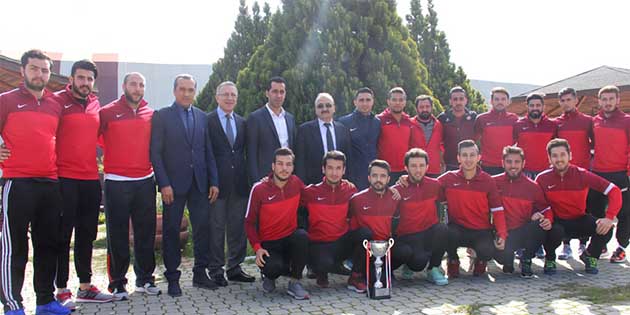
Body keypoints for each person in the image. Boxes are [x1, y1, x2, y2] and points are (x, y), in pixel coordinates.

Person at [0, 50, 68, 315]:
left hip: (49, 183)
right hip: (17, 182)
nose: (39, 74)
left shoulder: (55, 105)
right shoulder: (6, 101)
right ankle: (13, 304)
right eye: (34, 69)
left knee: (47, 245)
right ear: (23, 71)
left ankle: (45, 301)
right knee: (14, 247)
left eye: (44, 70)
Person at [150, 74, 220, 297]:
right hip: (174, 186)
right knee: (171, 231)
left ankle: (200, 274)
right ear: (174, 91)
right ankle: (173, 278)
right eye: (182, 89)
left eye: (191, 89)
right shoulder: (162, 116)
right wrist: (164, 183)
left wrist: (214, 181)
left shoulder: (201, 116)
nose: (187, 93)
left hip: (200, 183)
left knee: (203, 229)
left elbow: (207, 151)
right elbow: (155, 153)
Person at [53, 60, 113, 309]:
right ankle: (61, 290)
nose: (85, 83)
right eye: (81, 78)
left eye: (89, 79)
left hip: (90, 179)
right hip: (63, 178)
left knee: (87, 235)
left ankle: (86, 286)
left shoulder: (96, 105)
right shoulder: (57, 102)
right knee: (62, 236)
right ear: (71, 79)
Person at [101, 72, 160, 300]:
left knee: (145, 233)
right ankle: (117, 283)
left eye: (141, 85)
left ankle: (145, 279)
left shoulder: (150, 114)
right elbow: (93, 139)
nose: (137, 88)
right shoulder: (106, 112)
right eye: (133, 84)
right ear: (124, 86)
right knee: (117, 236)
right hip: (116, 182)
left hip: (145, 181)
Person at [536, 138, 621, 274]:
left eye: (563, 155)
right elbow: (537, 204)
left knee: (607, 228)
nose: (559, 159)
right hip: (556, 222)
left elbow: (614, 191)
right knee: (549, 229)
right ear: (549, 158)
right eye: (555, 156)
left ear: (570, 155)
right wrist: (542, 217)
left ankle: (590, 255)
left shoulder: (582, 175)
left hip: (579, 220)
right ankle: (550, 258)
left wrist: (609, 217)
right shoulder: (542, 179)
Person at [206, 81, 255, 286]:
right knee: (216, 229)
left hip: (239, 184)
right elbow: (205, 153)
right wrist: (211, 181)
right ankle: (215, 270)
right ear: (217, 97)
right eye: (225, 94)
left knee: (237, 228)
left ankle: (234, 268)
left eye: (233, 95)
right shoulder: (207, 121)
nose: (229, 98)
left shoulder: (242, 122)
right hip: (217, 185)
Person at [245, 148, 309, 300]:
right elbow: (249, 222)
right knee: (274, 268)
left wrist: (341, 183)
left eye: (288, 164)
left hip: (290, 238)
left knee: (302, 236)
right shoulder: (259, 189)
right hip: (269, 244)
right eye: (280, 164)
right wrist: (257, 248)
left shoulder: (296, 183)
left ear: (293, 167)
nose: (284, 168)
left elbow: (313, 196)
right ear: (273, 166)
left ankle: (295, 282)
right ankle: (269, 275)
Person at [301, 151, 369, 288]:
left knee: (365, 233)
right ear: (323, 169)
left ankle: (355, 277)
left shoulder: (350, 189)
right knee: (324, 263)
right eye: (330, 168)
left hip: (341, 243)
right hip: (319, 244)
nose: (334, 172)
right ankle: (321, 272)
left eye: (338, 168)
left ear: (344, 170)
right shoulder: (310, 192)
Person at [440, 140, 507, 278]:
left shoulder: (488, 181)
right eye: (464, 155)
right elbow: (427, 185)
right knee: (446, 233)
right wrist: (405, 179)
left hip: (481, 230)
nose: (468, 159)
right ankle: (453, 260)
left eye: (472, 155)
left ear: (479, 157)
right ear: (458, 158)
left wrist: (502, 233)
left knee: (487, 250)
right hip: (457, 228)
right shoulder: (448, 178)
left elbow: (497, 209)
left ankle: (481, 261)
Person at [391, 149, 448, 285]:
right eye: (414, 166)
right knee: (418, 263)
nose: (418, 170)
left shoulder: (435, 185)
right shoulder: (397, 190)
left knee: (443, 229)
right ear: (406, 168)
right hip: (407, 237)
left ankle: (433, 268)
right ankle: (405, 266)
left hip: (428, 232)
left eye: (422, 166)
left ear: (427, 167)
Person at [492, 146, 551, 278]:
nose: (513, 166)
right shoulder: (493, 182)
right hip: (501, 235)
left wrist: (546, 218)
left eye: (517, 162)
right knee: (505, 263)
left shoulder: (532, 186)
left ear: (523, 163)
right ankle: (507, 260)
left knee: (539, 225)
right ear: (503, 163)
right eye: (509, 162)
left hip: (521, 233)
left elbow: (546, 208)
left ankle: (526, 259)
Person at [590, 85, 630, 263]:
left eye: (611, 99)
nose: (607, 103)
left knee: (623, 213)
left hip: (621, 174)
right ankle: (603, 242)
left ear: (617, 100)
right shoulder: (595, 121)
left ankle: (621, 248)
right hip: (598, 173)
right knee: (597, 211)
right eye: (604, 99)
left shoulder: (627, 121)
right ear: (599, 101)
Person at [346, 160, 399, 293]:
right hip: (364, 249)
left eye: (382, 176)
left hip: (384, 249)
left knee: (404, 250)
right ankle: (355, 276)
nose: (378, 180)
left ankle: (386, 271)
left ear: (388, 179)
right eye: (375, 176)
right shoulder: (356, 200)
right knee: (364, 233)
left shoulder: (395, 198)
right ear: (369, 178)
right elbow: (351, 231)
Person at [554, 87, 593, 260]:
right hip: (562, 172)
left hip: (583, 172)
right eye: (562, 100)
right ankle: (566, 245)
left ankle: (583, 245)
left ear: (576, 100)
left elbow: (596, 144)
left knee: (584, 208)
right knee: (564, 208)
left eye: (569, 99)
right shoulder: (557, 123)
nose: (566, 103)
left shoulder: (588, 121)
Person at [246, 77, 297, 183]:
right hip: (265, 179)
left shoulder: (289, 118)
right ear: (267, 93)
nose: (278, 96)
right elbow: (251, 153)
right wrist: (256, 181)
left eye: (282, 92)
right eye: (274, 91)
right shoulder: (255, 118)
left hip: (287, 177)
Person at [296, 93, 351, 185]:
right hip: (314, 184)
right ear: (315, 109)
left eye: (328, 105)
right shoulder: (304, 130)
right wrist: (303, 185)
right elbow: (300, 162)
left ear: (334, 108)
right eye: (320, 106)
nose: (324, 109)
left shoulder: (343, 129)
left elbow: (348, 159)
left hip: (339, 184)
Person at [338, 88, 381, 190]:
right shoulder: (344, 122)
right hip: (352, 176)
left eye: (368, 100)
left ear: (373, 102)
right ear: (355, 102)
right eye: (361, 100)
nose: (365, 103)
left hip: (373, 176)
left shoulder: (377, 122)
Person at [474, 87, 518, 175]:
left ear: (508, 101)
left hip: (508, 165)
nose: (500, 102)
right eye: (497, 99)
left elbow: (517, 140)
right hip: (487, 166)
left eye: (503, 99)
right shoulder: (481, 119)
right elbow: (474, 141)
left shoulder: (514, 119)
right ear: (491, 101)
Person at [513, 93, 557, 178]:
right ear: (527, 107)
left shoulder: (552, 125)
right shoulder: (518, 124)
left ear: (543, 106)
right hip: (524, 172)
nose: (535, 108)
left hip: (546, 171)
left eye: (538, 105)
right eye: (532, 105)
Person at [376, 87, 413, 184]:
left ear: (405, 102)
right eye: (394, 100)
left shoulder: (409, 122)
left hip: (405, 171)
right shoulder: (379, 120)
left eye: (401, 100)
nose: (397, 103)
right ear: (388, 101)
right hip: (384, 170)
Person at [437, 86, 477, 171]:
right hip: (449, 164)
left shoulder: (474, 117)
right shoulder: (442, 118)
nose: (458, 102)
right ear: (450, 101)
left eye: (461, 99)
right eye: (455, 99)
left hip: (470, 163)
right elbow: (437, 141)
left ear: (466, 100)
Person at [409, 95, 444, 178]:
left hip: (434, 169)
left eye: (427, 106)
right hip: (415, 170)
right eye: (421, 107)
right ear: (416, 108)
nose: (424, 109)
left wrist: (442, 163)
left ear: (432, 107)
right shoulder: (409, 124)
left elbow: (442, 146)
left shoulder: (439, 125)